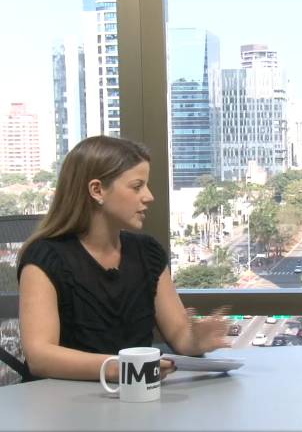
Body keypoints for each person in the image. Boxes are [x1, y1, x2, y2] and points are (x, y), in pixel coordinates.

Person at [17, 136, 231, 382]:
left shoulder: (147, 252)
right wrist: (122, 369)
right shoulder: (45, 257)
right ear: (97, 190)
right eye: (137, 186)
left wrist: (196, 340)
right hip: (61, 400)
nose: (149, 196)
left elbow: (180, 335)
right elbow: (40, 357)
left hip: (137, 396)